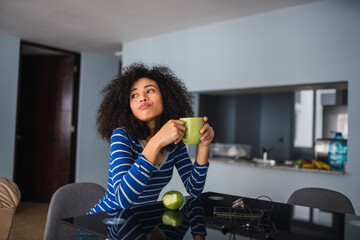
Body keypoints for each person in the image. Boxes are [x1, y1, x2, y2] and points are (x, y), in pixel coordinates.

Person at [88, 63, 214, 214]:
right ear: (128, 106)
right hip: (103, 225)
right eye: (134, 95)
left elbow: (194, 189)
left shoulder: (175, 143)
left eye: (150, 90)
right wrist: (156, 141)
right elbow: (123, 199)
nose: (142, 98)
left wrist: (204, 145)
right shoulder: (122, 136)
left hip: (140, 223)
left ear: (166, 97)